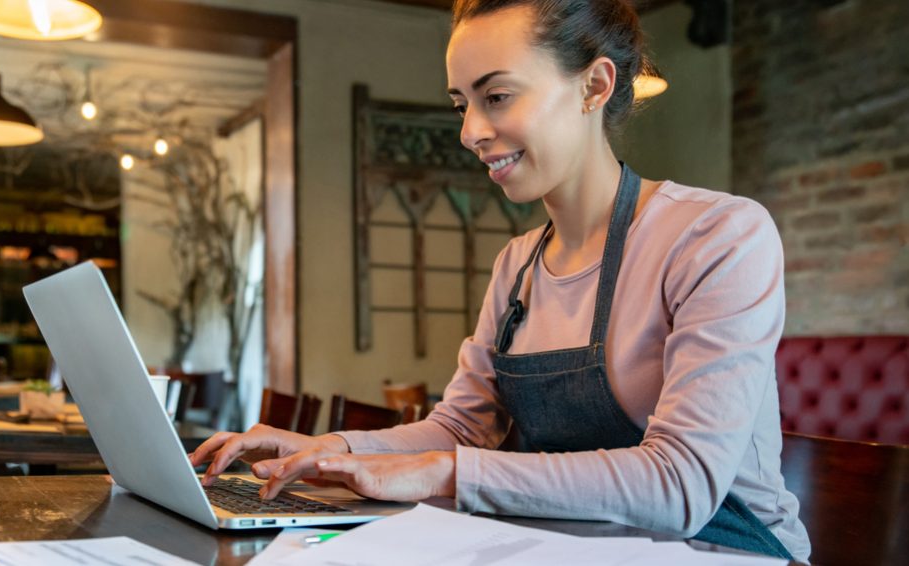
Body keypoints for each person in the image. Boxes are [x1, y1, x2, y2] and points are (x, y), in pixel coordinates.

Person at [190, 0, 810, 560]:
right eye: (462, 105)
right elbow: (460, 429)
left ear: (595, 85)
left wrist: (448, 472)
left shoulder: (718, 235)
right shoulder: (517, 263)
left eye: (498, 97)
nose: (470, 133)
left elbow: (682, 486)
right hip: (568, 547)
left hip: (724, 550)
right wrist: (329, 450)